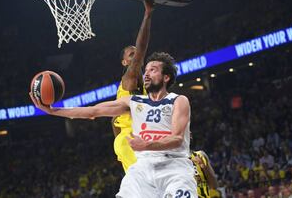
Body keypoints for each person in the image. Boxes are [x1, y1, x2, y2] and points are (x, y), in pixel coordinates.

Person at [30, 52, 197, 197]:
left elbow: (177, 139)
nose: (145, 74)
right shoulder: (133, 102)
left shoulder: (178, 100)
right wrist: (53, 111)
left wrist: (146, 144)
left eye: (152, 70)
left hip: (174, 167)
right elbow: (93, 111)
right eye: (145, 70)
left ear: (166, 77)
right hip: (143, 169)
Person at [111, 0, 154, 172]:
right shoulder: (129, 78)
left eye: (135, 53)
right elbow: (142, 49)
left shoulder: (143, 83)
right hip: (131, 140)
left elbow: (113, 119)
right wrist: (147, 15)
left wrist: (119, 145)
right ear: (124, 62)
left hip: (133, 139)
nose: (135, 55)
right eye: (131, 54)